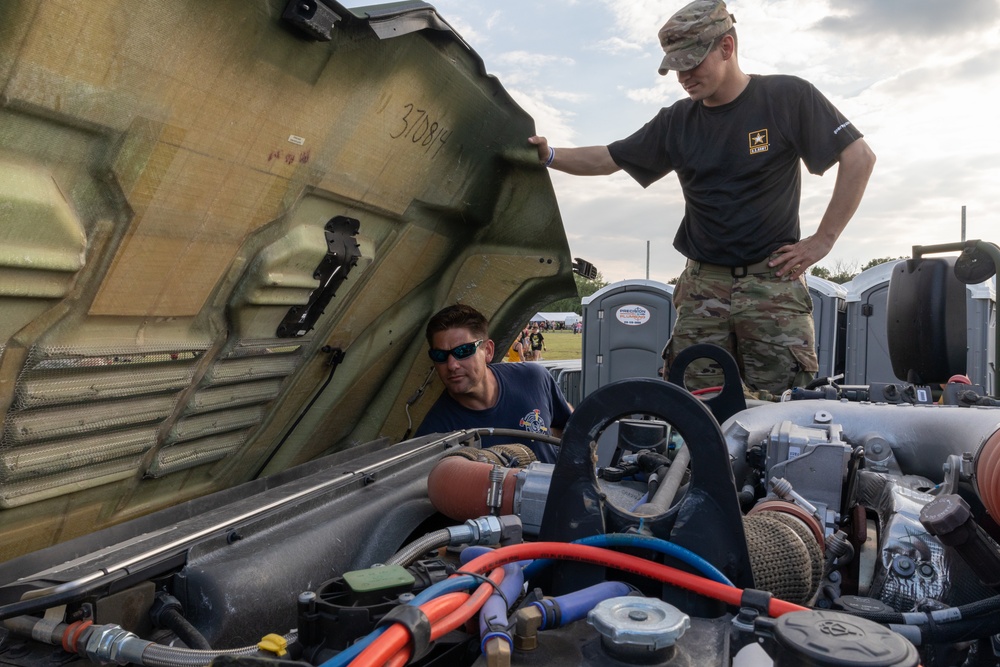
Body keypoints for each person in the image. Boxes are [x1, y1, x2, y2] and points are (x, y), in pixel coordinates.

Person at [529, 0, 875, 395]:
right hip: (702, 287)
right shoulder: (677, 121)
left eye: (692, 63)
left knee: (781, 409)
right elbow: (608, 158)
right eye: (676, 68)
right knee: (696, 406)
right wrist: (550, 155)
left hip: (771, 284)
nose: (684, 77)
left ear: (726, 47)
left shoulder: (785, 97)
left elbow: (859, 157)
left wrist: (823, 240)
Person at [415, 304, 572, 463]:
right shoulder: (433, 435)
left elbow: (569, 424)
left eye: (463, 351)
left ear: (488, 351)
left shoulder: (533, 378)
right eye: (440, 355)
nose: (452, 365)